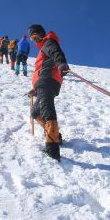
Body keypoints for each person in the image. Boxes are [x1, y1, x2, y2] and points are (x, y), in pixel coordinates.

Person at [28, 24, 69, 162]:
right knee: (35, 112)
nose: (34, 41)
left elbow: (56, 52)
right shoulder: (42, 48)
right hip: (42, 84)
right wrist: (35, 89)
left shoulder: (48, 42)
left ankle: (52, 148)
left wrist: (61, 63)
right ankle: (56, 135)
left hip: (47, 81)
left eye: (35, 37)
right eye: (32, 39)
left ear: (40, 34)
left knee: (47, 110)